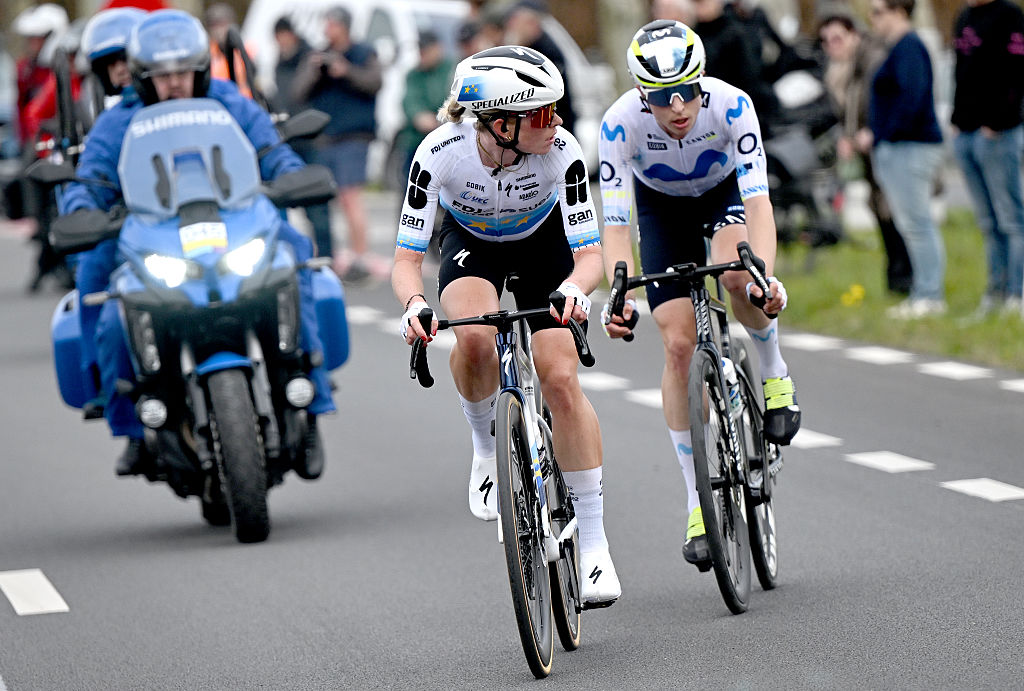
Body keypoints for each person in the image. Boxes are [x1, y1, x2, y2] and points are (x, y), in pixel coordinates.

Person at [59, 9, 335, 477]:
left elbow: (271, 151)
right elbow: (91, 178)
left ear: (199, 69)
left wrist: (291, 177)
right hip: (148, 234)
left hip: (234, 227)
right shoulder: (120, 118)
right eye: (161, 76)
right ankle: (128, 425)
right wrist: (82, 209)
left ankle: (311, 402)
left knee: (296, 258)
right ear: (143, 77)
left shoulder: (229, 100)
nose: (174, 84)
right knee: (104, 299)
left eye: (182, 72)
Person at [392, 46, 620, 606]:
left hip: (545, 249)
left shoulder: (561, 152)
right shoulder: (438, 153)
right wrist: (415, 304)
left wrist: (573, 289)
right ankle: (483, 444)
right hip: (473, 245)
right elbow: (405, 261)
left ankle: (593, 541)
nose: (558, 122)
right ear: (500, 123)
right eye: (543, 113)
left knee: (559, 377)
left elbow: (588, 256)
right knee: (471, 334)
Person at [599, 21, 798, 568]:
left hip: (723, 194)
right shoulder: (618, 124)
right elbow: (615, 223)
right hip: (661, 208)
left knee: (739, 277)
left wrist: (768, 278)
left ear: (702, 80)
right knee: (678, 344)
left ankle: (774, 372)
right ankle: (696, 499)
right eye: (664, 99)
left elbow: (759, 206)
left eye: (688, 91)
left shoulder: (732, 107)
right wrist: (618, 291)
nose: (679, 108)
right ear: (644, 95)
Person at [859, 0, 946, 318]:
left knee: (917, 222)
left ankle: (930, 294)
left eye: (878, 11)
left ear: (899, 11)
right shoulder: (897, 47)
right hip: (896, 146)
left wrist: (881, 134)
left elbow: (912, 98)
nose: (873, 19)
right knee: (910, 223)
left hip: (910, 146)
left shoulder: (910, 46)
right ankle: (921, 290)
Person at [818, 14, 912, 295]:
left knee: (894, 211)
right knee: (879, 209)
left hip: (884, 145)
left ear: (854, 35)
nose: (831, 46)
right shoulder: (839, 70)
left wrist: (868, 131)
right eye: (825, 41)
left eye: (837, 38)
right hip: (864, 150)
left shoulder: (871, 61)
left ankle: (905, 277)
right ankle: (896, 279)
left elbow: (880, 101)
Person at [293, 7, 381, 284]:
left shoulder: (363, 52)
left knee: (350, 197)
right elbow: (297, 93)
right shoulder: (317, 55)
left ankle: (360, 257)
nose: (326, 29)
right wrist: (315, 70)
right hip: (325, 138)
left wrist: (346, 71)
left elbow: (375, 82)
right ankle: (331, 255)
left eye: (330, 23)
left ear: (343, 26)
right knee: (324, 201)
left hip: (353, 136)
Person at [951, 0, 1024, 315]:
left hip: (998, 134)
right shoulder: (964, 17)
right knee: (988, 222)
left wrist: (998, 122)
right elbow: (959, 72)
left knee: (1011, 220)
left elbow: (1017, 73)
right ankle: (995, 292)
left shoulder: (1011, 16)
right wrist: (956, 122)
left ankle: (1017, 294)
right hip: (965, 134)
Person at [272, 16, 333, 263]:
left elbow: (302, 93)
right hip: (287, 139)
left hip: (311, 137)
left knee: (317, 204)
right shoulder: (279, 62)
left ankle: (328, 256)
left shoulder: (311, 59)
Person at [503, 2, 577, 137]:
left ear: (532, 23)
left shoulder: (546, 54)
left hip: (553, 126)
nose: (511, 26)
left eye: (516, 21)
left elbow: (544, 98)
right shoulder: (527, 48)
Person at [395, 30, 454, 189]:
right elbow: (409, 100)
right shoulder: (414, 74)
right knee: (412, 187)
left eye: (426, 50)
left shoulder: (452, 69)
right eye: (420, 50)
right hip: (417, 139)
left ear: (438, 48)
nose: (422, 54)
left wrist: (439, 119)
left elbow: (454, 100)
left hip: (446, 139)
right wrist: (417, 115)